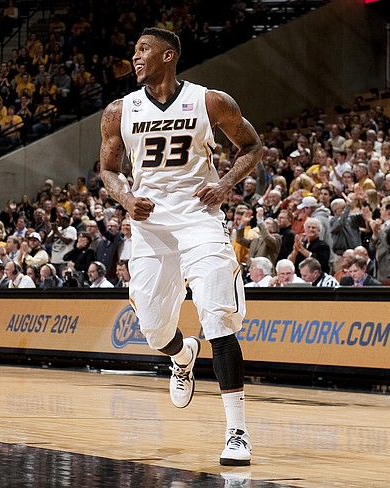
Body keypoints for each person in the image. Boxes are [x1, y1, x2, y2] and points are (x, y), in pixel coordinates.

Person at [99, 28, 262, 466]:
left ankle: (237, 433)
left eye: (143, 50)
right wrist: (126, 198)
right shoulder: (119, 111)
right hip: (150, 225)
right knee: (153, 328)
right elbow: (109, 170)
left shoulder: (210, 101)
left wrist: (225, 184)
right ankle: (181, 353)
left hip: (198, 218)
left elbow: (252, 146)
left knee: (218, 317)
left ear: (168, 56)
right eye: (134, 50)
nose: (134, 57)